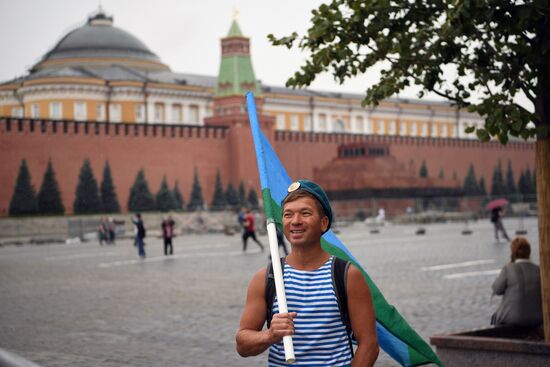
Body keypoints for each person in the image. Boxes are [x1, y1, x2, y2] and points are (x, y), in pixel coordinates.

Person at [236, 180, 379, 366]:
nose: (295, 221)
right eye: (288, 215)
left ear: (323, 222)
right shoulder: (266, 278)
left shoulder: (347, 275)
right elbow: (242, 345)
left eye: (305, 213)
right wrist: (269, 335)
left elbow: (369, 345)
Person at [491, 237, 542, 327]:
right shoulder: (539, 270)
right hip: (537, 318)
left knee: (495, 317)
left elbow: (497, 289)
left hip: (513, 320)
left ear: (513, 252)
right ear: (529, 252)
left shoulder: (508, 268)